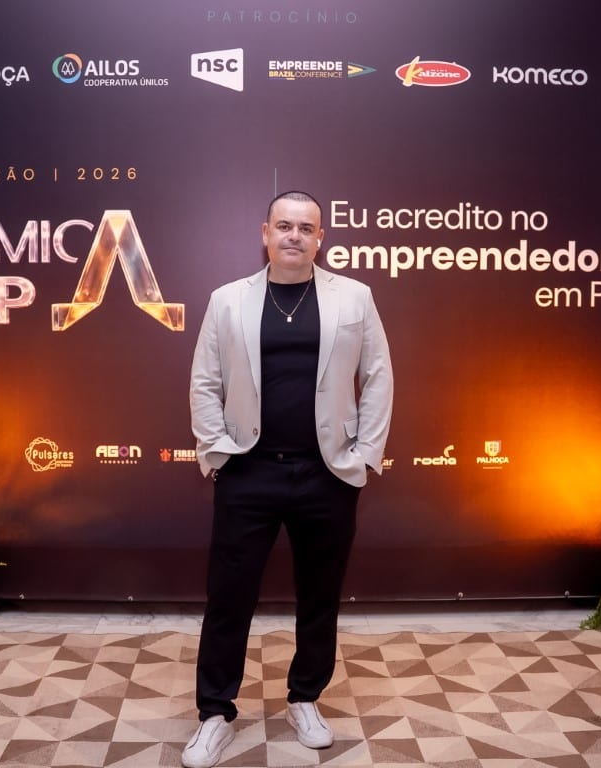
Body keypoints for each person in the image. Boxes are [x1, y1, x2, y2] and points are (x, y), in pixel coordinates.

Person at [182, 190, 393, 768]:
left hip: (328, 473)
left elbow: (378, 375)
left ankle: (305, 698)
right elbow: (205, 381)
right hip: (247, 471)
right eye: (284, 225)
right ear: (265, 233)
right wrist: (218, 452)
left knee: (320, 596)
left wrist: (363, 456)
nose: (294, 235)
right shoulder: (227, 300)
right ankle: (214, 712)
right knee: (229, 598)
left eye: (305, 227)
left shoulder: (355, 297)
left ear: (320, 237)